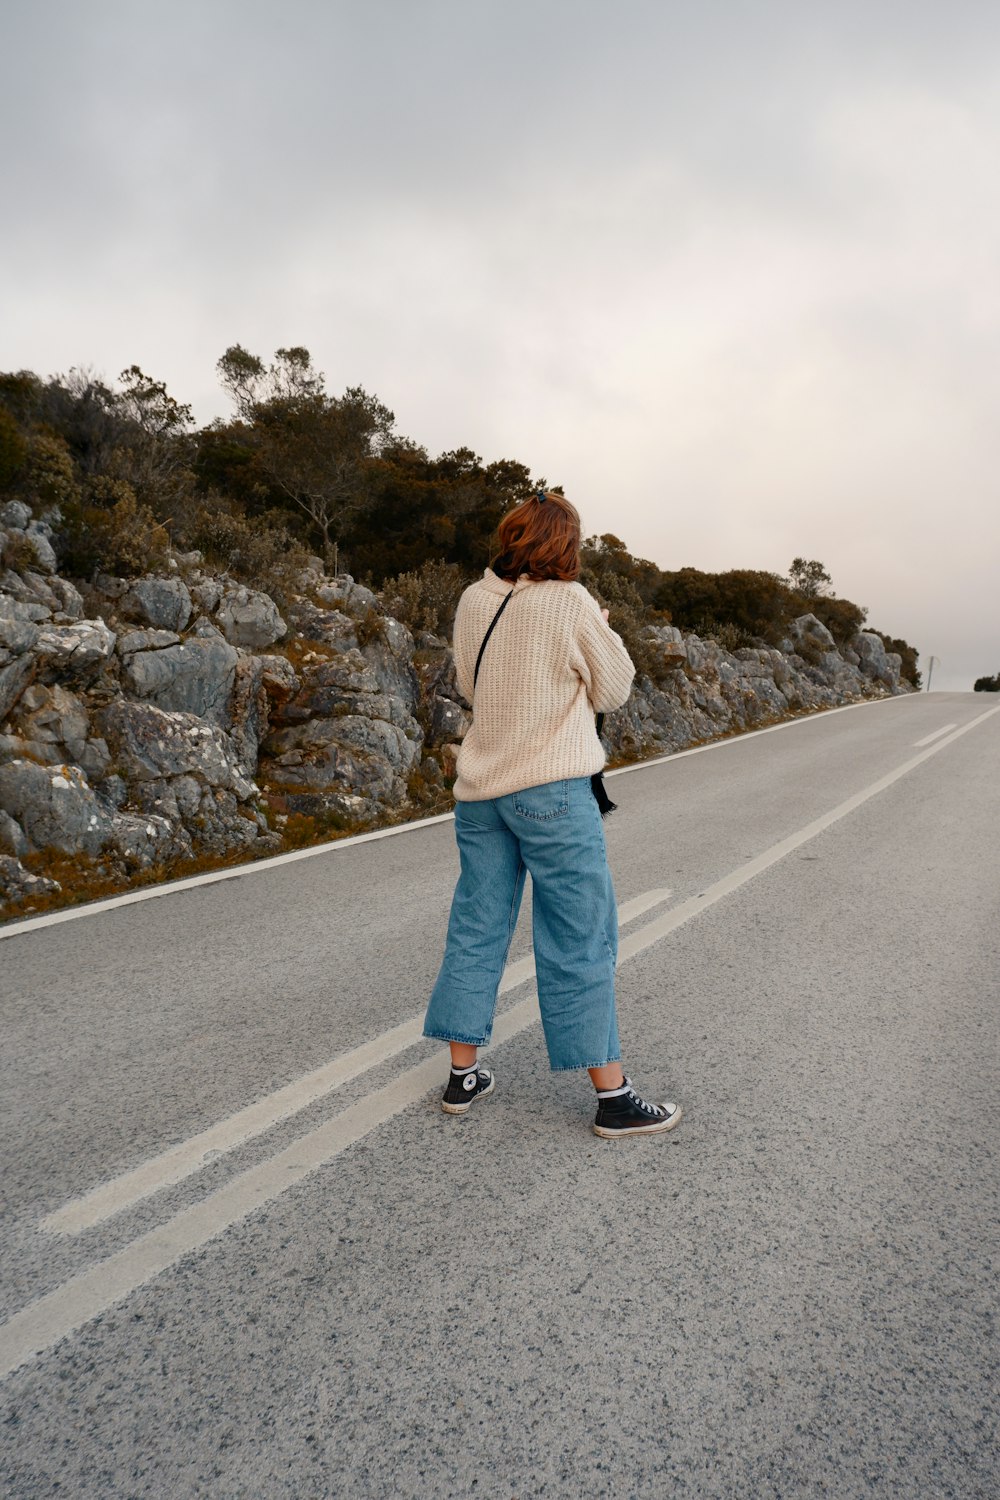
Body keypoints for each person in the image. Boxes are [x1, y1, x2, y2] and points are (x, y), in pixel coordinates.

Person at [423, 490, 683, 1138]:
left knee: (477, 926)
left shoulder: (472, 599)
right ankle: (613, 1097)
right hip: (553, 794)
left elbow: (470, 685)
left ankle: (462, 1076)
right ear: (565, 546)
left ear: (512, 535)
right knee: (578, 937)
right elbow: (615, 688)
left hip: (482, 790)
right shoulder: (569, 603)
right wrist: (599, 620)